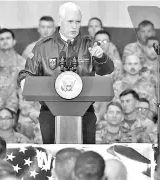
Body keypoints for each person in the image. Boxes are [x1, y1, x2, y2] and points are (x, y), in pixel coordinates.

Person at [18, 2, 114, 144]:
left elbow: (107, 69)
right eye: (70, 22)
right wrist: (25, 81)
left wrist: (101, 57)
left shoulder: (89, 44)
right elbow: (27, 73)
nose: (74, 26)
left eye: (78, 22)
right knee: (53, 156)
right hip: (50, 111)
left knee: (85, 158)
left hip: (84, 110)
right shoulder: (43, 46)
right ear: (60, 21)